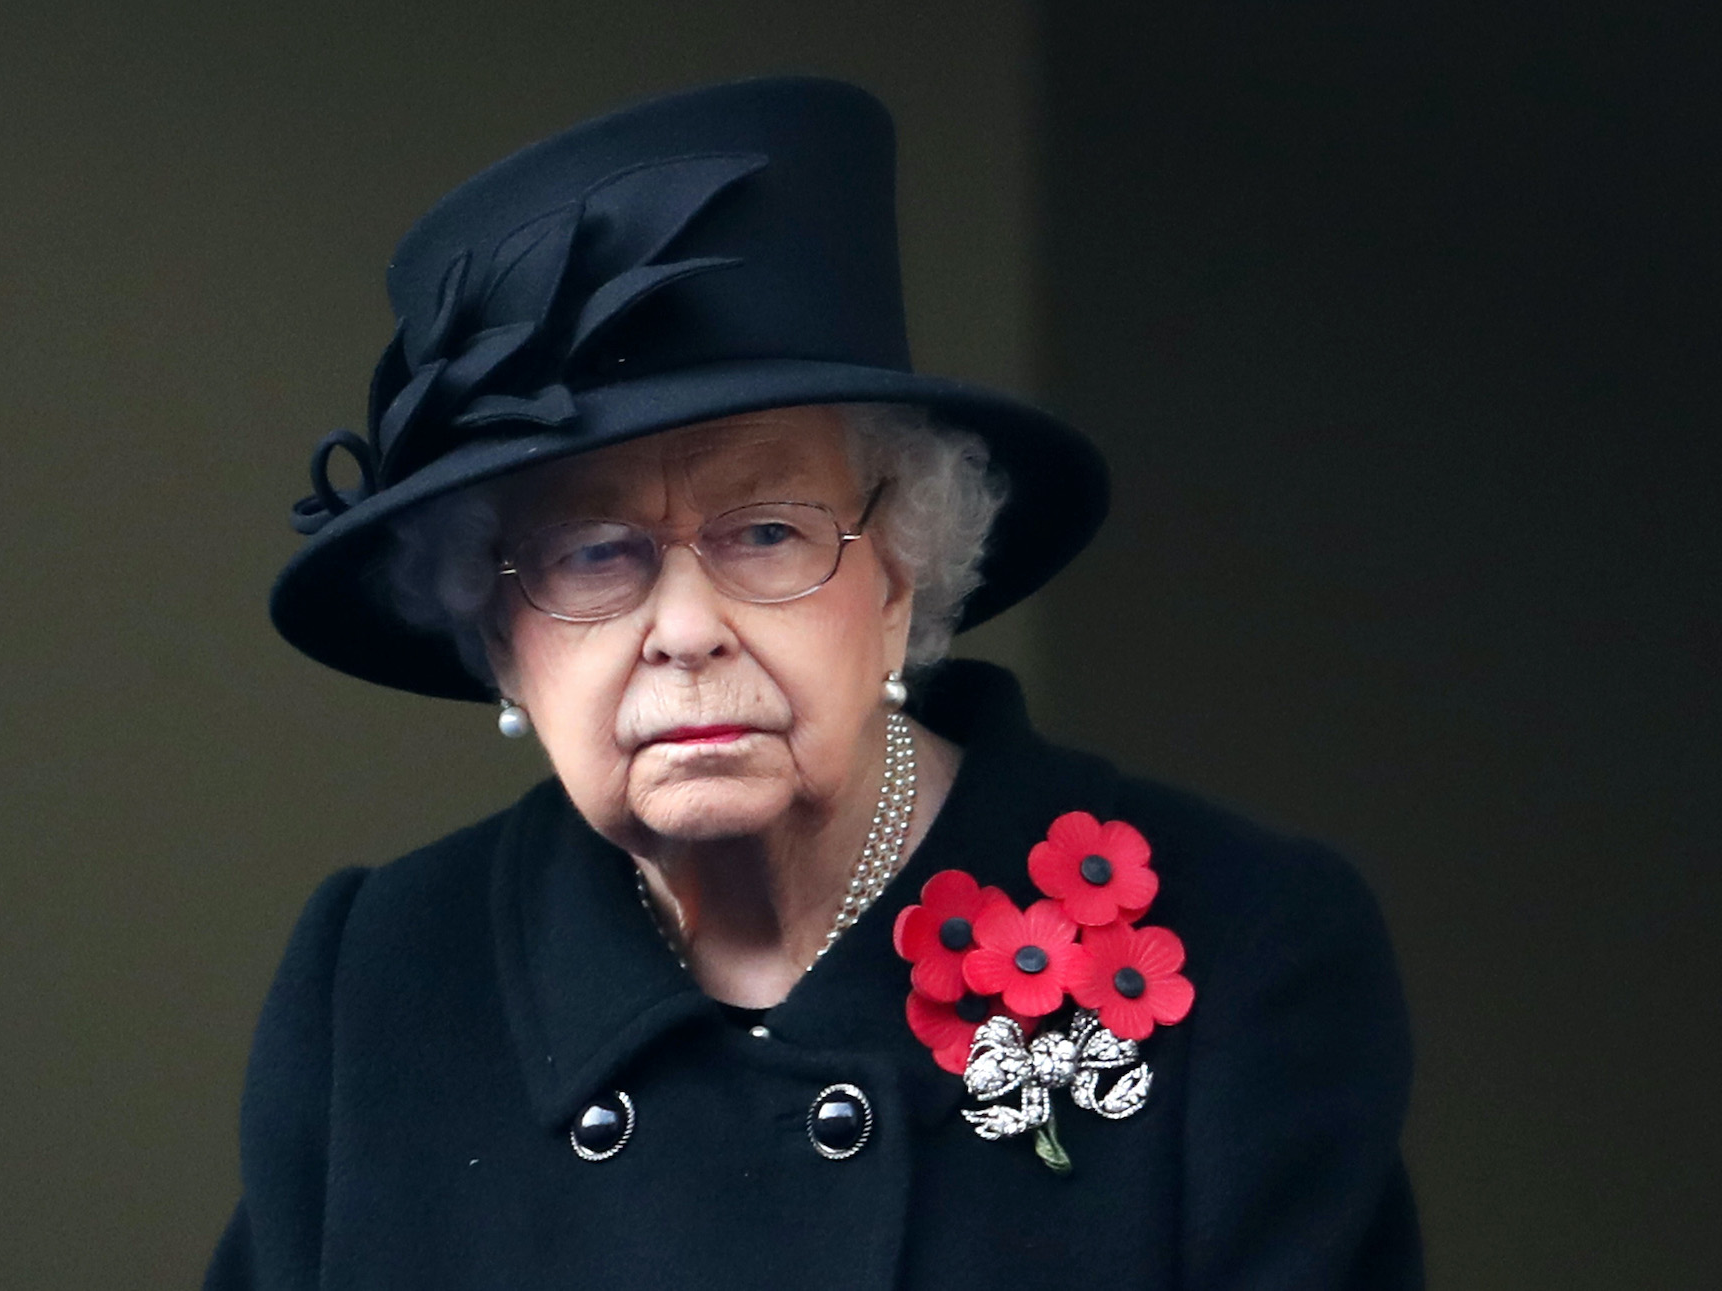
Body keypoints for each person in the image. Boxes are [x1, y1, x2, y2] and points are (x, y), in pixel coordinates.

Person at [206, 77, 1420, 1290]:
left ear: (902, 574)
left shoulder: (1245, 944)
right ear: (501, 634)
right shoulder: (378, 984)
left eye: (767, 532)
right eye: (589, 551)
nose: (684, 629)